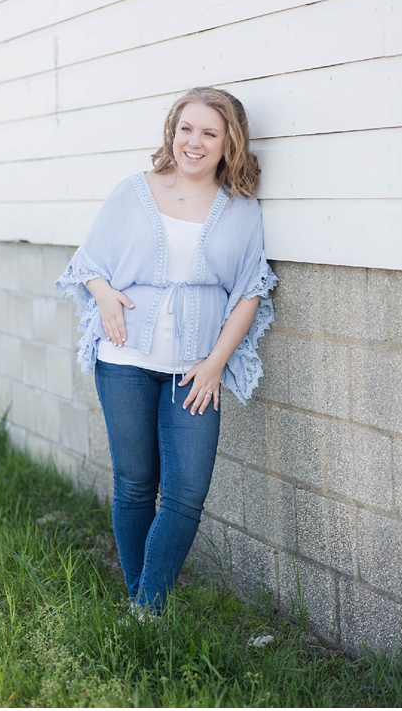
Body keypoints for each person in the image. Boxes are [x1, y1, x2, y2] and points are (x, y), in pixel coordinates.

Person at [55, 87, 277, 616]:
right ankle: (145, 610)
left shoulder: (242, 209)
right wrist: (105, 295)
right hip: (126, 361)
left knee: (185, 494)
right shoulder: (133, 192)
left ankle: (145, 606)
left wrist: (216, 362)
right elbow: (88, 263)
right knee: (135, 485)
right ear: (171, 132)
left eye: (209, 133)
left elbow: (250, 290)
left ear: (229, 143)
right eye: (186, 129)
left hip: (194, 369)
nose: (193, 143)